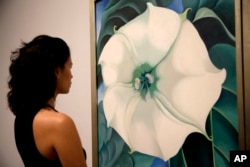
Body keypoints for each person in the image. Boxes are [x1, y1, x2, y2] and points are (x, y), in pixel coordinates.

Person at [7, 35, 87, 167]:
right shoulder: (59, 123)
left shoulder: (21, 118)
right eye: (70, 66)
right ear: (57, 71)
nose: (71, 75)